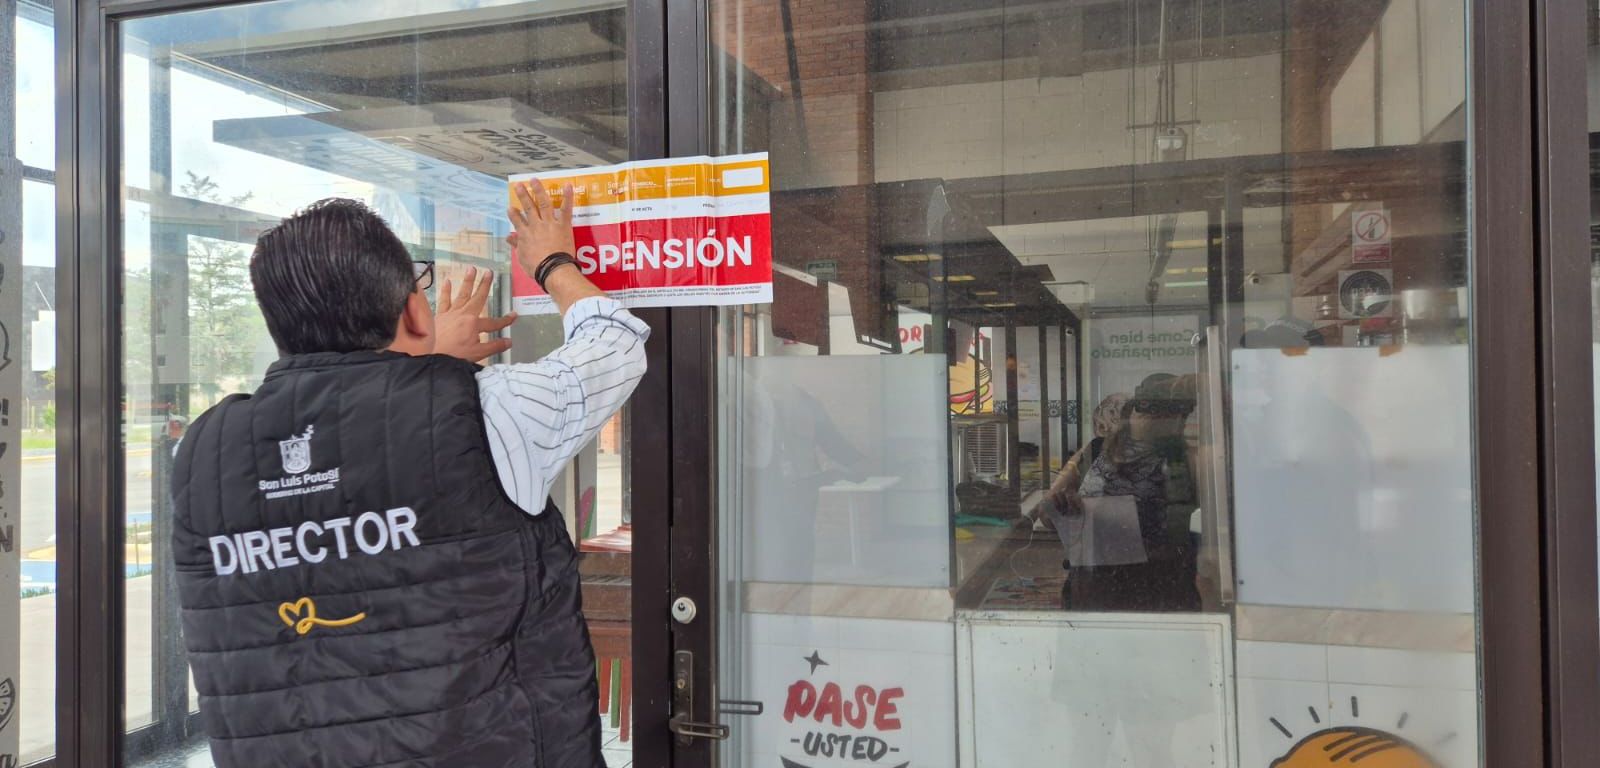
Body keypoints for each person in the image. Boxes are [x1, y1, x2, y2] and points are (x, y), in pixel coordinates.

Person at [169, 182, 649, 767]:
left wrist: (424, 368)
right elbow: (615, 344)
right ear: (416, 312)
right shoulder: (488, 410)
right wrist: (552, 261)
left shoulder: (203, 450)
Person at [1045, 374, 1198, 611]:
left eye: (1165, 411)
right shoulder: (1096, 450)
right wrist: (1064, 505)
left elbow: (1198, 536)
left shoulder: (1185, 462)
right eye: (1146, 407)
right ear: (1131, 410)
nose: (1152, 417)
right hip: (1091, 585)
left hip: (1155, 589)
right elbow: (1046, 513)